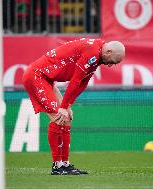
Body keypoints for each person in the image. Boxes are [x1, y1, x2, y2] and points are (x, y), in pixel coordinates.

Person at [22, 38, 125, 175]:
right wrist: (63, 107)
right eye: (112, 62)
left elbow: (83, 82)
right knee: (58, 117)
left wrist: (68, 105)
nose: (111, 66)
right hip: (37, 77)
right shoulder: (93, 52)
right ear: (109, 51)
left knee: (67, 118)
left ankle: (65, 163)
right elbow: (75, 80)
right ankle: (57, 165)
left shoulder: (98, 52)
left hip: (46, 79)